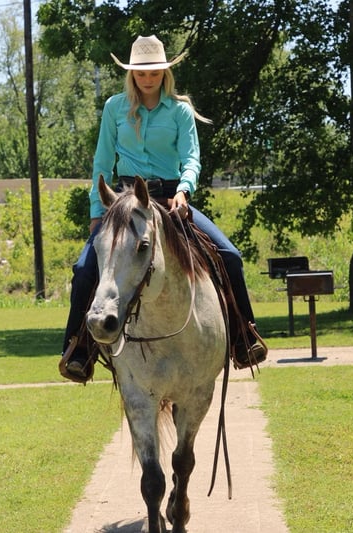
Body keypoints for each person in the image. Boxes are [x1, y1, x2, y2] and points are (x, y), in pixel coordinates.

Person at [60, 35, 266, 382]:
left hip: (171, 201)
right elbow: (102, 161)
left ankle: (243, 338)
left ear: (164, 72)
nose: (148, 78)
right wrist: (97, 212)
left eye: (154, 71)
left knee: (230, 256)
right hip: (125, 203)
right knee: (83, 270)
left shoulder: (180, 111)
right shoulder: (114, 108)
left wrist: (185, 190)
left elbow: (191, 158)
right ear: (132, 74)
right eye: (141, 72)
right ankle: (78, 349)